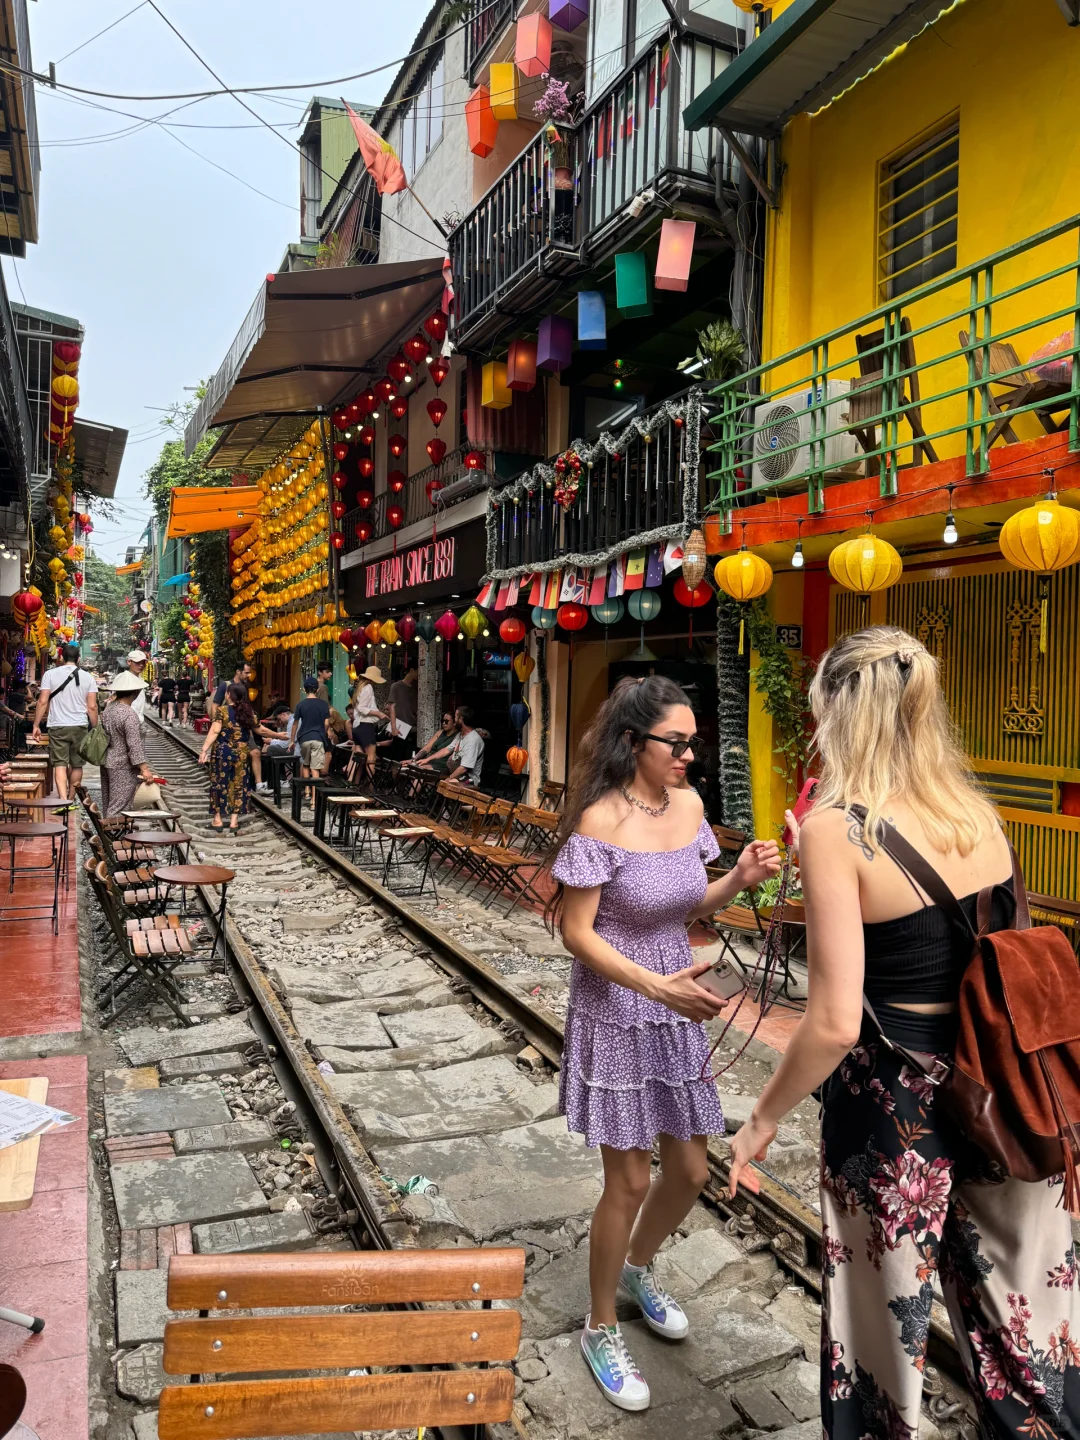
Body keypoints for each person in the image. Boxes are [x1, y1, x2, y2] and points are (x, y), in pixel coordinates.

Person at [728, 626, 1080, 1440]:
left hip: (894, 1113)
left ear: (836, 716)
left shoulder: (836, 829)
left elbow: (832, 1021)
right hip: (1004, 1089)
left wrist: (760, 1121)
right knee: (1024, 1326)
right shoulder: (976, 812)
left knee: (882, 1326)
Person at [549, 676, 780, 1412]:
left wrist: (737, 879)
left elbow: (687, 900)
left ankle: (638, 1267)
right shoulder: (600, 820)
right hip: (618, 1005)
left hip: (675, 1001)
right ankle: (599, 1325)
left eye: (692, 741)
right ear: (631, 742)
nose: (688, 755)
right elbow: (575, 932)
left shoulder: (690, 807)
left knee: (687, 1167)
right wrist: (654, 987)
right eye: (674, 743)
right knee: (632, 1181)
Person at [33, 642, 99, 803]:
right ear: (78, 659)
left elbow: (42, 702)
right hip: (80, 726)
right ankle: (71, 797)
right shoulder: (88, 677)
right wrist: (95, 727)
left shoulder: (50, 675)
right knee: (77, 765)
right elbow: (92, 706)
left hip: (57, 726)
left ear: (61, 657)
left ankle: (63, 800)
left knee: (60, 765)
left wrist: (36, 725)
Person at [198, 681, 255, 830]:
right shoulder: (248, 711)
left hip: (222, 752)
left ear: (229, 695)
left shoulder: (222, 711)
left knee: (219, 783)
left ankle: (218, 820)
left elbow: (215, 731)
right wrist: (279, 736)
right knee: (239, 784)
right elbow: (259, 729)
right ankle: (234, 822)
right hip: (241, 753)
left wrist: (204, 750)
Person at [99, 671, 154, 817]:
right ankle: (112, 839)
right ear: (135, 692)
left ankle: (111, 835)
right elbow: (134, 745)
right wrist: (144, 769)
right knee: (119, 807)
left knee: (109, 803)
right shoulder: (129, 714)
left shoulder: (110, 708)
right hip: (123, 766)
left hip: (107, 760)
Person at [211, 662, 266, 791]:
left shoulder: (245, 687)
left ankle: (258, 784)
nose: (248, 675)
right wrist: (217, 723)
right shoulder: (226, 685)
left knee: (255, 752)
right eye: (246, 672)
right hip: (227, 730)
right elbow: (215, 705)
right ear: (238, 672)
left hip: (243, 729)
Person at [289, 676, 331, 798]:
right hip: (318, 738)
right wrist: (323, 733)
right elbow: (327, 723)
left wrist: (292, 740)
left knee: (306, 764)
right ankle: (314, 799)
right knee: (316, 769)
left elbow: (295, 724)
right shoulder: (324, 704)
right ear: (317, 690)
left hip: (304, 739)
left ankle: (307, 791)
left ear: (304, 690)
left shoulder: (300, 705)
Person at [350, 665, 386, 783]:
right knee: (371, 758)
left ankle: (354, 783)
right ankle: (370, 788)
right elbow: (362, 708)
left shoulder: (360, 688)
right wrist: (378, 713)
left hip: (357, 727)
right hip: (365, 727)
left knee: (360, 759)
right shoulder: (369, 687)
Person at [443, 706, 485, 787]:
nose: (454, 720)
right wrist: (427, 759)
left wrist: (449, 778)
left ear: (461, 719)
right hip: (458, 775)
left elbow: (464, 768)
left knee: (447, 784)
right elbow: (447, 750)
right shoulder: (460, 735)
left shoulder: (473, 740)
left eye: (455, 716)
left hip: (470, 778)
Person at [386, 667, 418, 761]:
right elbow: (391, 706)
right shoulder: (396, 686)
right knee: (398, 756)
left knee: (410, 756)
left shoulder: (416, 687)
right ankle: (395, 775)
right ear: (412, 670)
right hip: (401, 726)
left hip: (413, 727)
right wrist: (393, 727)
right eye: (418, 671)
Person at [124, 652, 149, 722]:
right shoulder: (125, 679)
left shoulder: (140, 679)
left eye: (143, 662)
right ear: (129, 662)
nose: (141, 665)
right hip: (128, 720)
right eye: (137, 662)